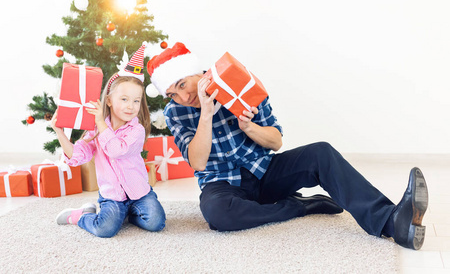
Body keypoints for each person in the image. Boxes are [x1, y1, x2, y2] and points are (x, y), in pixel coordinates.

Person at [145, 42, 428, 250]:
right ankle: (297, 207)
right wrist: (205, 115)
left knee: (321, 152)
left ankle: (392, 221)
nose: (183, 96)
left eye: (183, 84)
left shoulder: (237, 83)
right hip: (222, 184)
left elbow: (276, 141)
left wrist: (250, 128)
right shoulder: (176, 113)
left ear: (198, 72)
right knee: (218, 215)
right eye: (172, 93)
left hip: (264, 171)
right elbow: (197, 163)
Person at [53, 43, 166, 238]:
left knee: (157, 222)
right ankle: (81, 216)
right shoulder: (97, 130)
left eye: (136, 100)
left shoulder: (136, 130)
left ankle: (129, 214)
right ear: (109, 100)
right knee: (105, 229)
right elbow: (77, 156)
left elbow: (116, 150)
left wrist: (100, 123)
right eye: (124, 99)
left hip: (139, 193)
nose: (130, 106)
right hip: (112, 196)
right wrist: (59, 132)